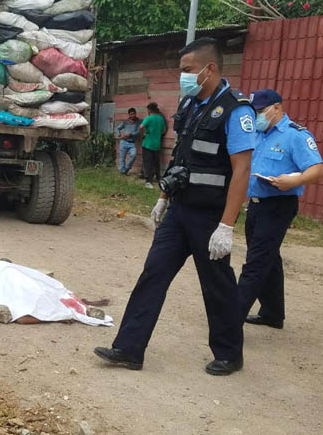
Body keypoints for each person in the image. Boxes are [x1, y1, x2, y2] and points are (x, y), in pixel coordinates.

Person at [93, 38, 255, 376]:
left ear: (209, 69)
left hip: (211, 217)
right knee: (153, 273)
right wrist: (163, 197)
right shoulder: (190, 106)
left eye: (187, 70)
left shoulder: (235, 109)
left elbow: (242, 169)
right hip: (179, 211)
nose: (182, 76)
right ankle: (129, 348)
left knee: (217, 285)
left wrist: (227, 225)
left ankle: (229, 353)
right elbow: (181, 159)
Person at [238, 89, 323, 330]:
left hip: (278, 205)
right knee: (269, 258)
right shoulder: (257, 133)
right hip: (256, 204)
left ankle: (229, 316)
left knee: (256, 261)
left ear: (277, 107)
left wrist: (293, 181)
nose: (257, 116)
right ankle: (272, 312)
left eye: (261, 111)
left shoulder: (295, 135)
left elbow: (317, 169)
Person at [137, 102, 166, 189]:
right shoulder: (161, 118)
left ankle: (148, 181)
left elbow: (141, 127)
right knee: (156, 162)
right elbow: (164, 131)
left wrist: (145, 134)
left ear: (149, 110)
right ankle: (158, 178)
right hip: (157, 144)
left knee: (147, 163)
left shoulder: (149, 118)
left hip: (148, 143)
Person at [115, 108, 141, 175]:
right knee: (122, 158)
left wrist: (130, 134)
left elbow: (138, 132)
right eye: (131, 114)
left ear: (135, 113)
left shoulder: (138, 122)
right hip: (123, 142)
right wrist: (119, 134)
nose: (132, 115)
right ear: (129, 114)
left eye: (133, 114)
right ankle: (122, 172)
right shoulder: (125, 122)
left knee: (133, 155)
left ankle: (127, 168)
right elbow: (118, 128)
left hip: (132, 143)